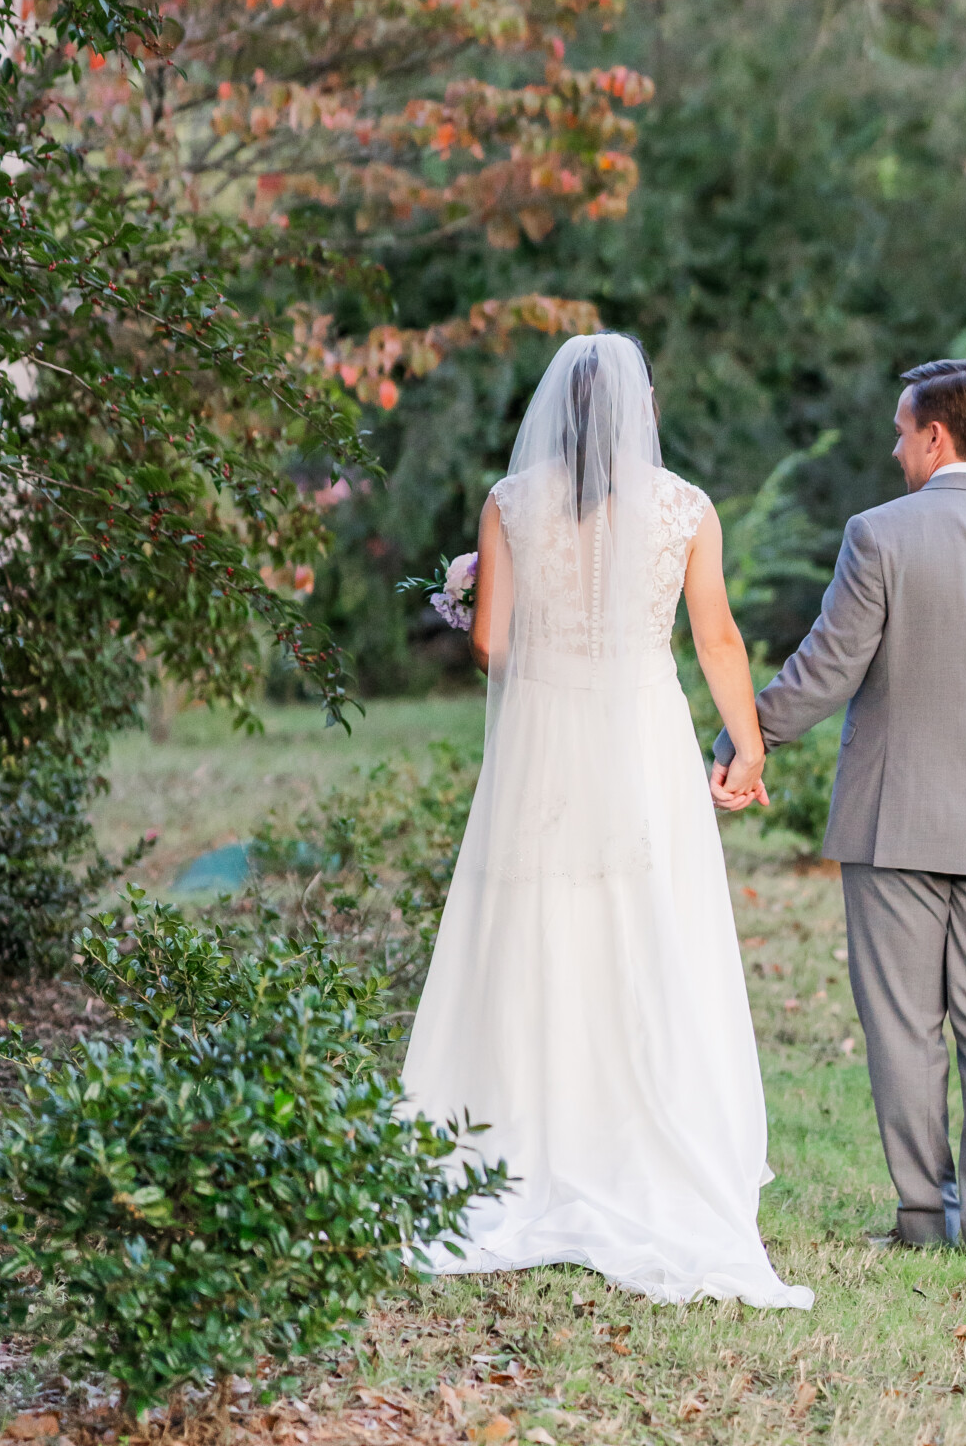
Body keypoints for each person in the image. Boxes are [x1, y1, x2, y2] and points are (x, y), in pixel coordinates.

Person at [401, 331, 811, 1310]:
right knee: (646, 925)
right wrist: (747, 744)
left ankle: (522, 1144)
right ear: (641, 411)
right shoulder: (685, 508)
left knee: (537, 925)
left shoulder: (510, 503)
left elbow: (494, 644)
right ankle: (640, 1137)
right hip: (641, 735)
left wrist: (499, 616)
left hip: (547, 734)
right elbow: (714, 632)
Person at [711, 357, 966, 1258]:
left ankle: (925, 1220)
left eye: (900, 432)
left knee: (901, 1026)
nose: (894, 450)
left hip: (895, 826)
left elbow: (823, 670)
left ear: (935, 436)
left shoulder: (880, 535)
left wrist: (740, 741)